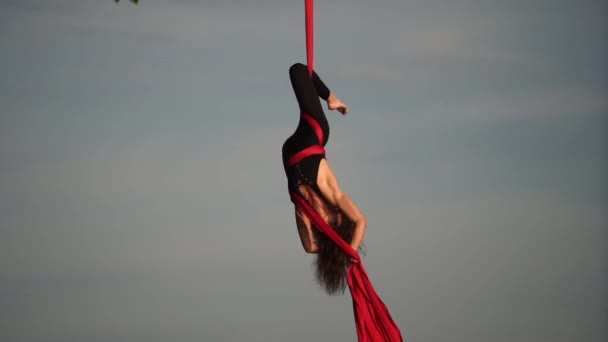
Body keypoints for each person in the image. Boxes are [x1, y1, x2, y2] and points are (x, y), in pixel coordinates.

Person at [282, 63, 367, 295]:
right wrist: (350, 252)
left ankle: (331, 99)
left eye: (331, 220)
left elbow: (309, 247)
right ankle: (332, 99)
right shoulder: (331, 193)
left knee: (300, 71)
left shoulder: (307, 215)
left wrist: (333, 248)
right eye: (336, 216)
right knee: (299, 71)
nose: (334, 215)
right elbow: (361, 221)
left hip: (293, 149)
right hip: (313, 133)